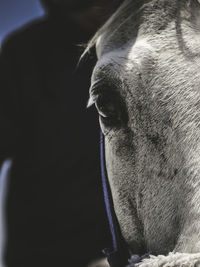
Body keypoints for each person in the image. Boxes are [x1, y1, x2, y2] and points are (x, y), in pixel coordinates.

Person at [0, 0, 121, 266]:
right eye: (79, 4)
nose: (97, 8)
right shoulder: (23, 51)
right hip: (46, 250)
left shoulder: (139, 44)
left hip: (130, 249)